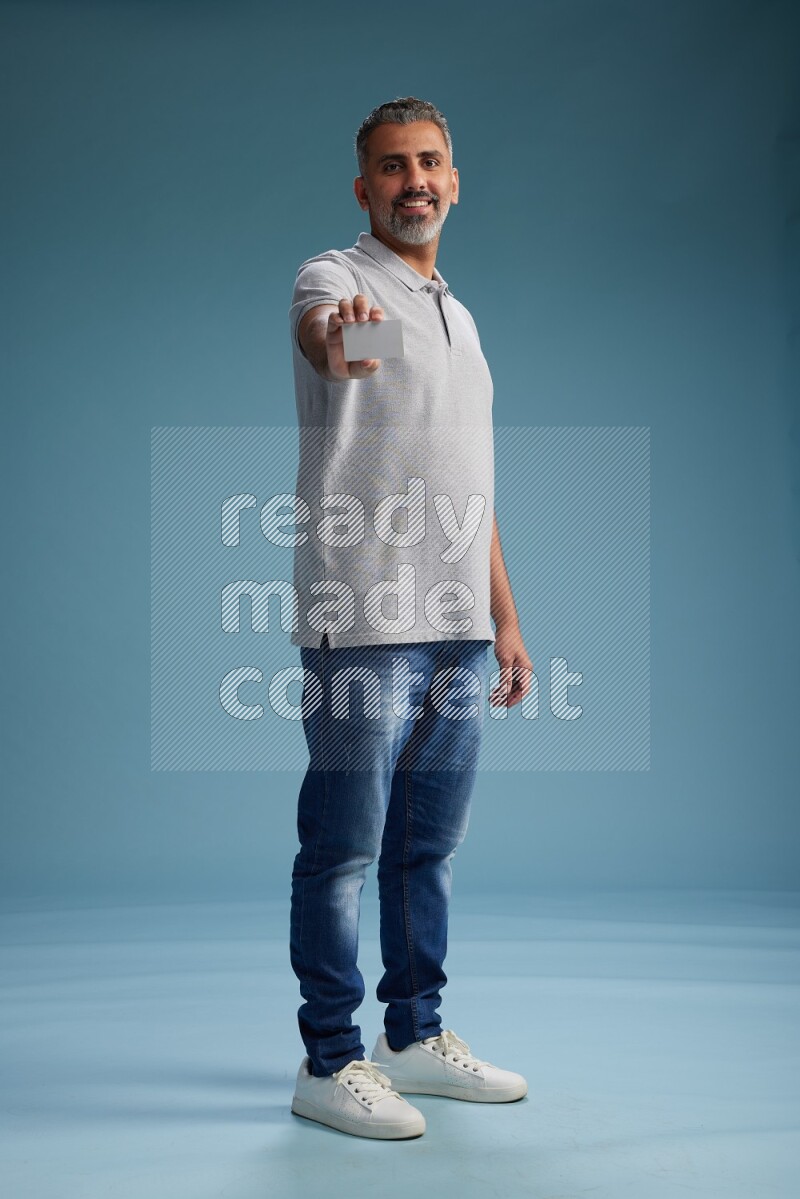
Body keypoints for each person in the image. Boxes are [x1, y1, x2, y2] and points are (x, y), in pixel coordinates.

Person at [287, 97, 533, 1140]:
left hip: (455, 626)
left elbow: (464, 483)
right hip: (363, 612)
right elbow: (327, 343)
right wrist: (337, 339)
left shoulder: (460, 316)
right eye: (391, 167)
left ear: (454, 179)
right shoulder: (335, 281)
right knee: (344, 848)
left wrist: (505, 620)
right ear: (364, 188)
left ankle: (412, 1036)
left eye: (429, 162)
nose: (413, 180)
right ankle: (329, 1058)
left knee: (425, 847)